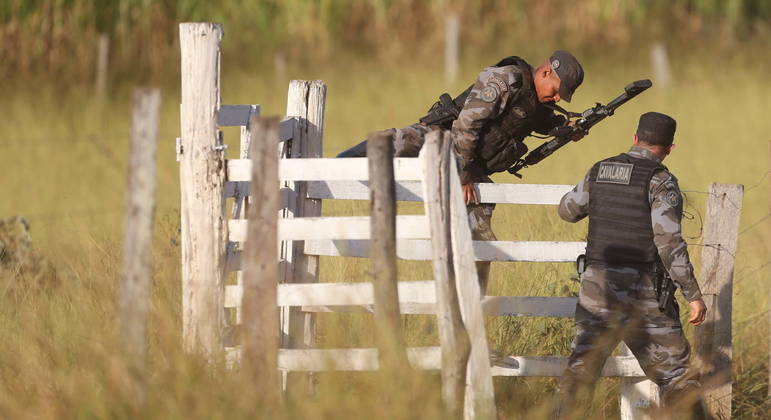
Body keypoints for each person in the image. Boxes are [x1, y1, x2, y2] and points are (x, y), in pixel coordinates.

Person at [338, 50, 585, 293]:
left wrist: (567, 129)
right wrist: (463, 173)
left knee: (482, 243)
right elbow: (466, 126)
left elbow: (543, 122)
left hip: (471, 166)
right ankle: (326, 171)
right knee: (395, 142)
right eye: (556, 91)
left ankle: (468, 305)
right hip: (443, 140)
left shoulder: (537, 103)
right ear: (545, 72)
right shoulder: (505, 79)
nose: (557, 100)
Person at [553, 112, 708, 419]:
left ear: (635, 138)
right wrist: (693, 294)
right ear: (669, 148)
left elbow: (567, 210)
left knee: (579, 375)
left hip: (597, 290)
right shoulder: (661, 181)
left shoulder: (599, 170)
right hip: (643, 295)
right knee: (678, 377)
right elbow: (668, 242)